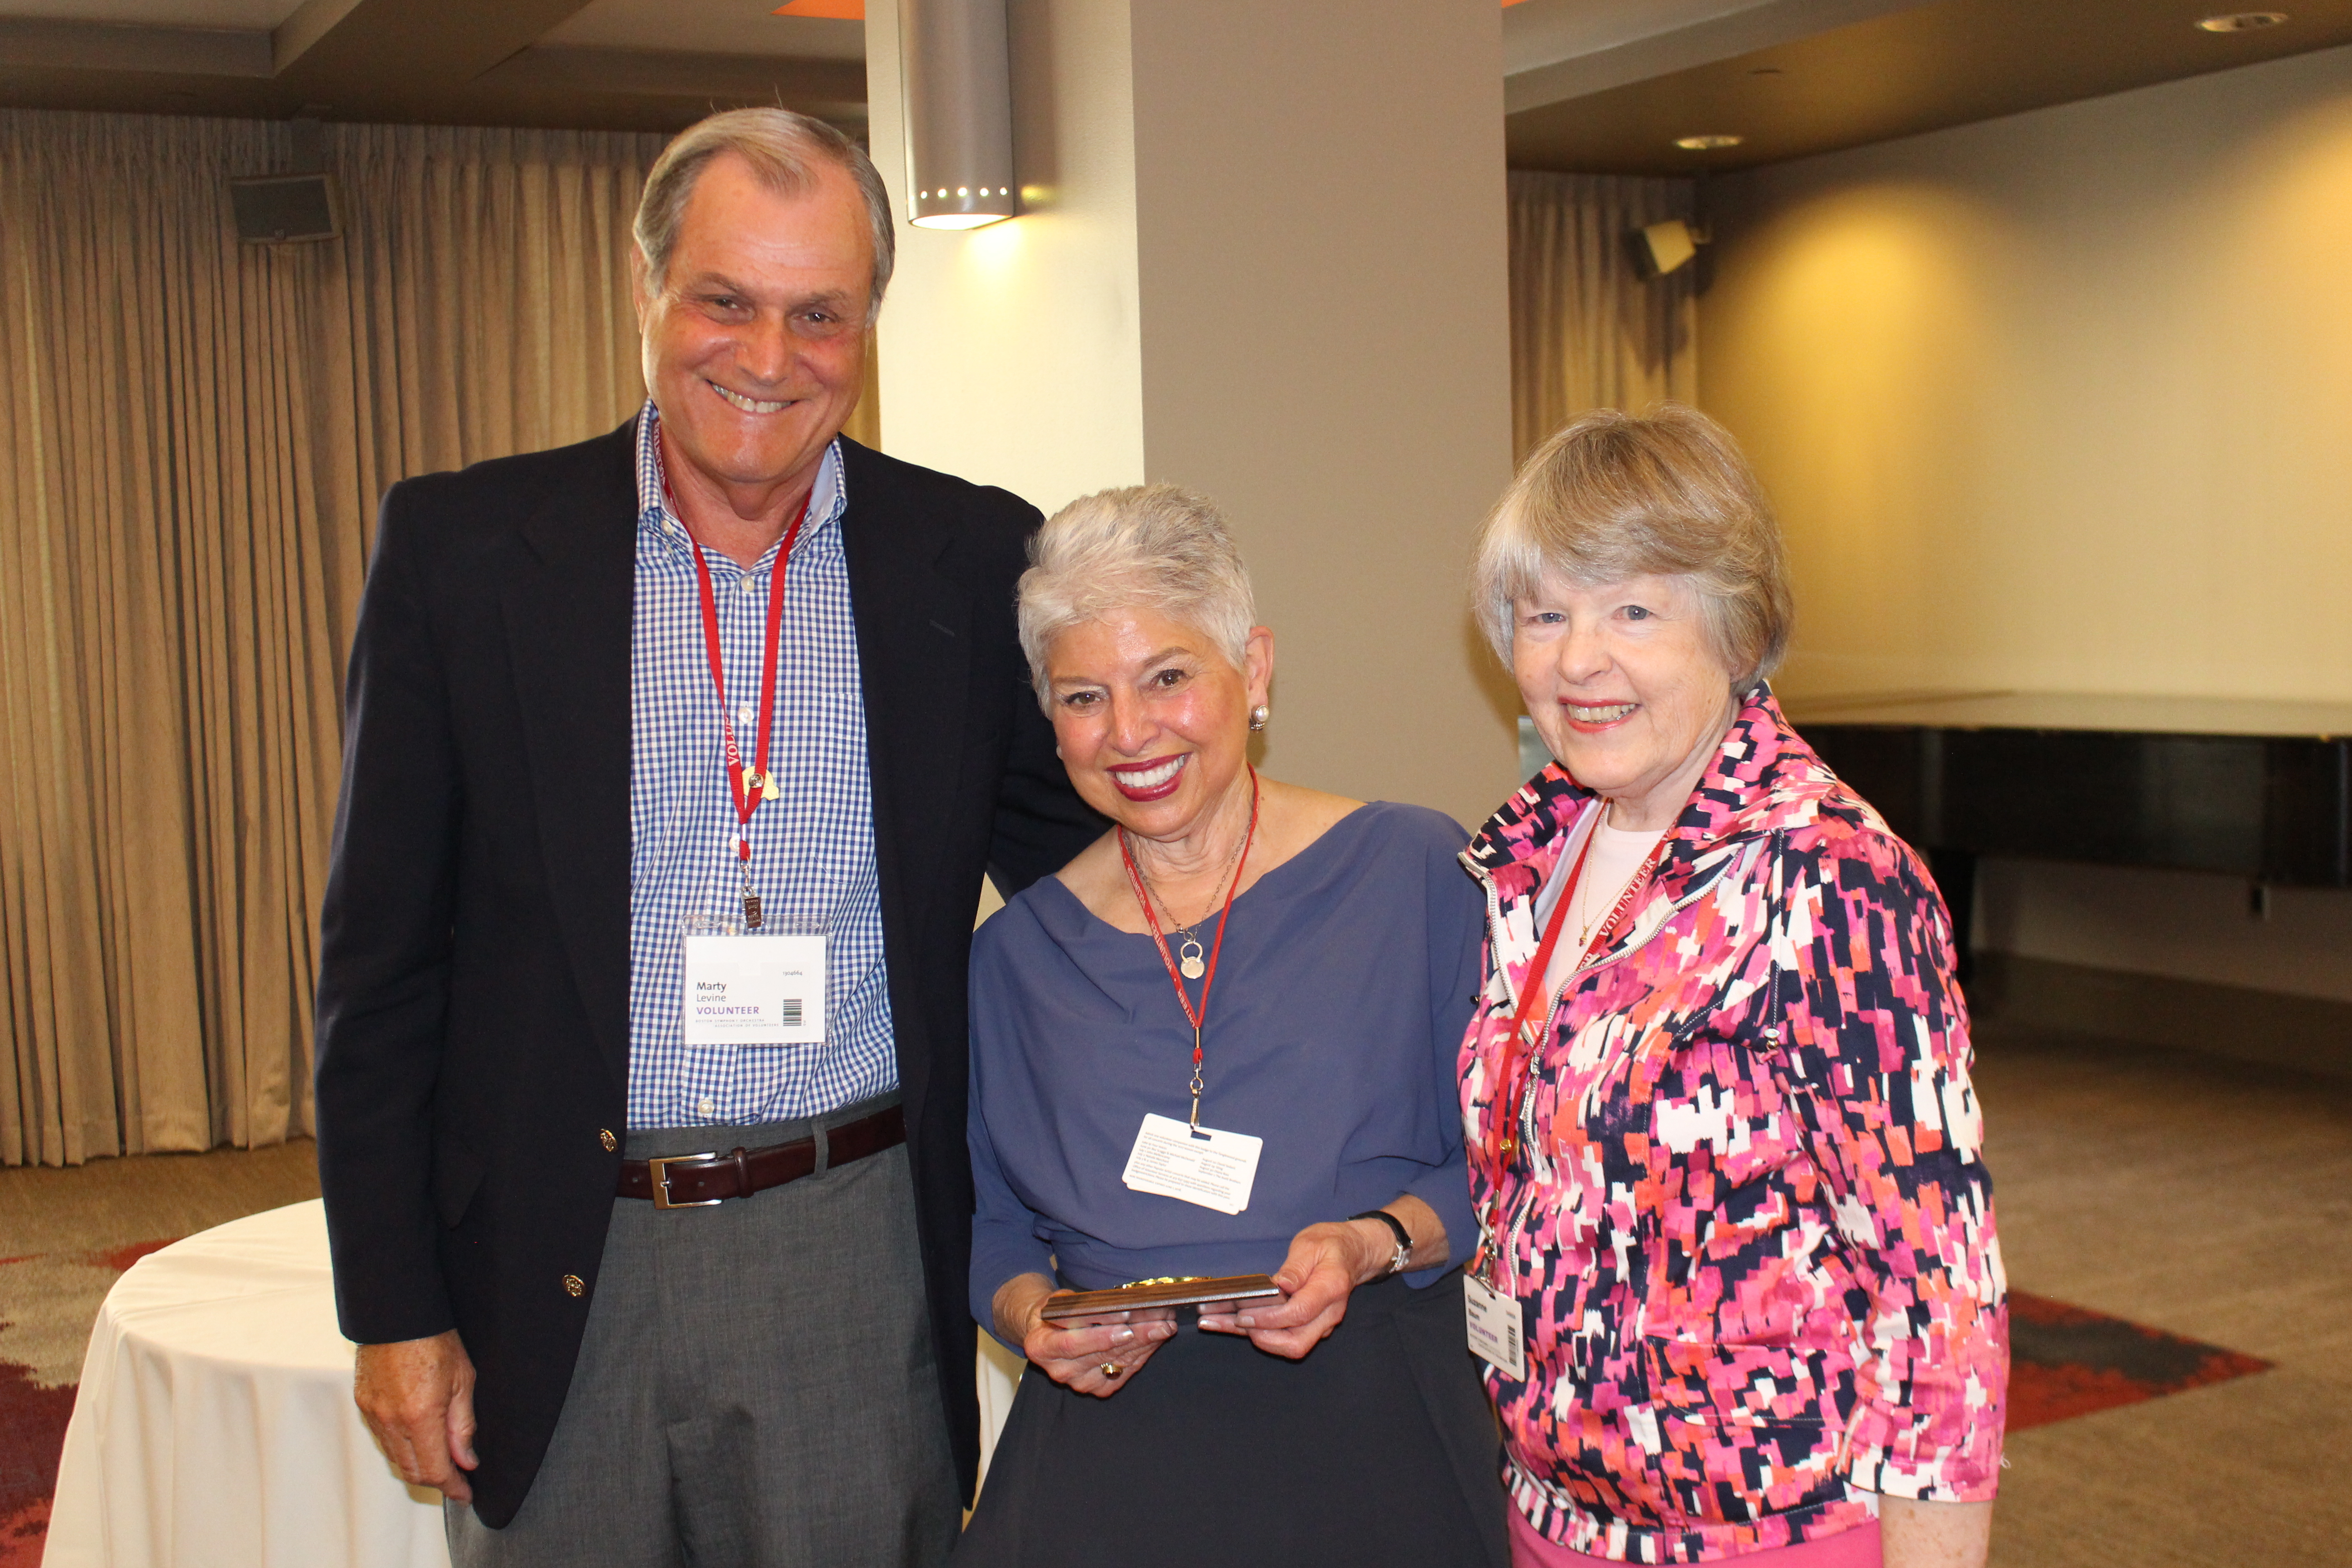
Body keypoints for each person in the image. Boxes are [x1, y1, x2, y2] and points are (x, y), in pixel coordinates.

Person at [312, 108, 1102, 1566]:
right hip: (559, 1250)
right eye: (725, 301)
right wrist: (397, 1309)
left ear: (869, 324)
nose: (767, 356)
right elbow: (380, 969)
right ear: (646, 289)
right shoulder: (465, 553)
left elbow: (1096, 877)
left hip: (850, 1245)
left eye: (821, 315)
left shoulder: (975, 556)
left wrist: (1319, 893)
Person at [1457, 406, 2007, 1568]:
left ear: (1736, 628)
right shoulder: (1532, 855)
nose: (1577, 658)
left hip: (1768, 1538)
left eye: (1634, 611)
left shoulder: (1828, 877)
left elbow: (1937, 1298)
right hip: (1553, 1516)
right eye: (1545, 613)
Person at [952, 485, 1510, 1568]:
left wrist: (1372, 1242)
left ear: (1251, 671)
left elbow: (1507, 1163)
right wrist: (1034, 1319)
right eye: (1082, 698)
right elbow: (996, 1232)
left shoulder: (1410, 874)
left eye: (1167, 678)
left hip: (1373, 1435)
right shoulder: (1017, 956)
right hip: (1109, 1466)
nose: (1129, 734)